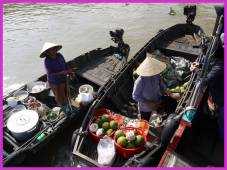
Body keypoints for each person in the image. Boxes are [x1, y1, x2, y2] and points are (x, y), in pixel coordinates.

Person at [190, 34, 224, 139]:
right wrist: (200, 66)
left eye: (204, 53)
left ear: (211, 53)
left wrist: (195, 70)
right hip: (218, 92)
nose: (203, 55)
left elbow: (205, 80)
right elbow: (210, 65)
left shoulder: (220, 65)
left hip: (222, 98)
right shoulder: (218, 57)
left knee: (222, 123)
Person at [132, 53, 177, 121]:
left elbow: (160, 84)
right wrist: (147, 102)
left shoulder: (156, 75)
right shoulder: (140, 81)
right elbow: (135, 96)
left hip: (157, 100)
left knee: (173, 102)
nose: (153, 72)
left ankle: (168, 117)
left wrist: (168, 92)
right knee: (145, 122)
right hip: (146, 107)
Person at [40, 42, 74, 106]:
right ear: (47, 52)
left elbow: (65, 64)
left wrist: (69, 72)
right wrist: (62, 72)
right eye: (50, 50)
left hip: (63, 79)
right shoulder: (47, 61)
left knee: (66, 94)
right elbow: (50, 74)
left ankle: (68, 105)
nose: (53, 51)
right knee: (59, 97)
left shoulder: (60, 55)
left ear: (56, 49)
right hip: (54, 82)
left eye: (53, 49)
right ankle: (62, 107)